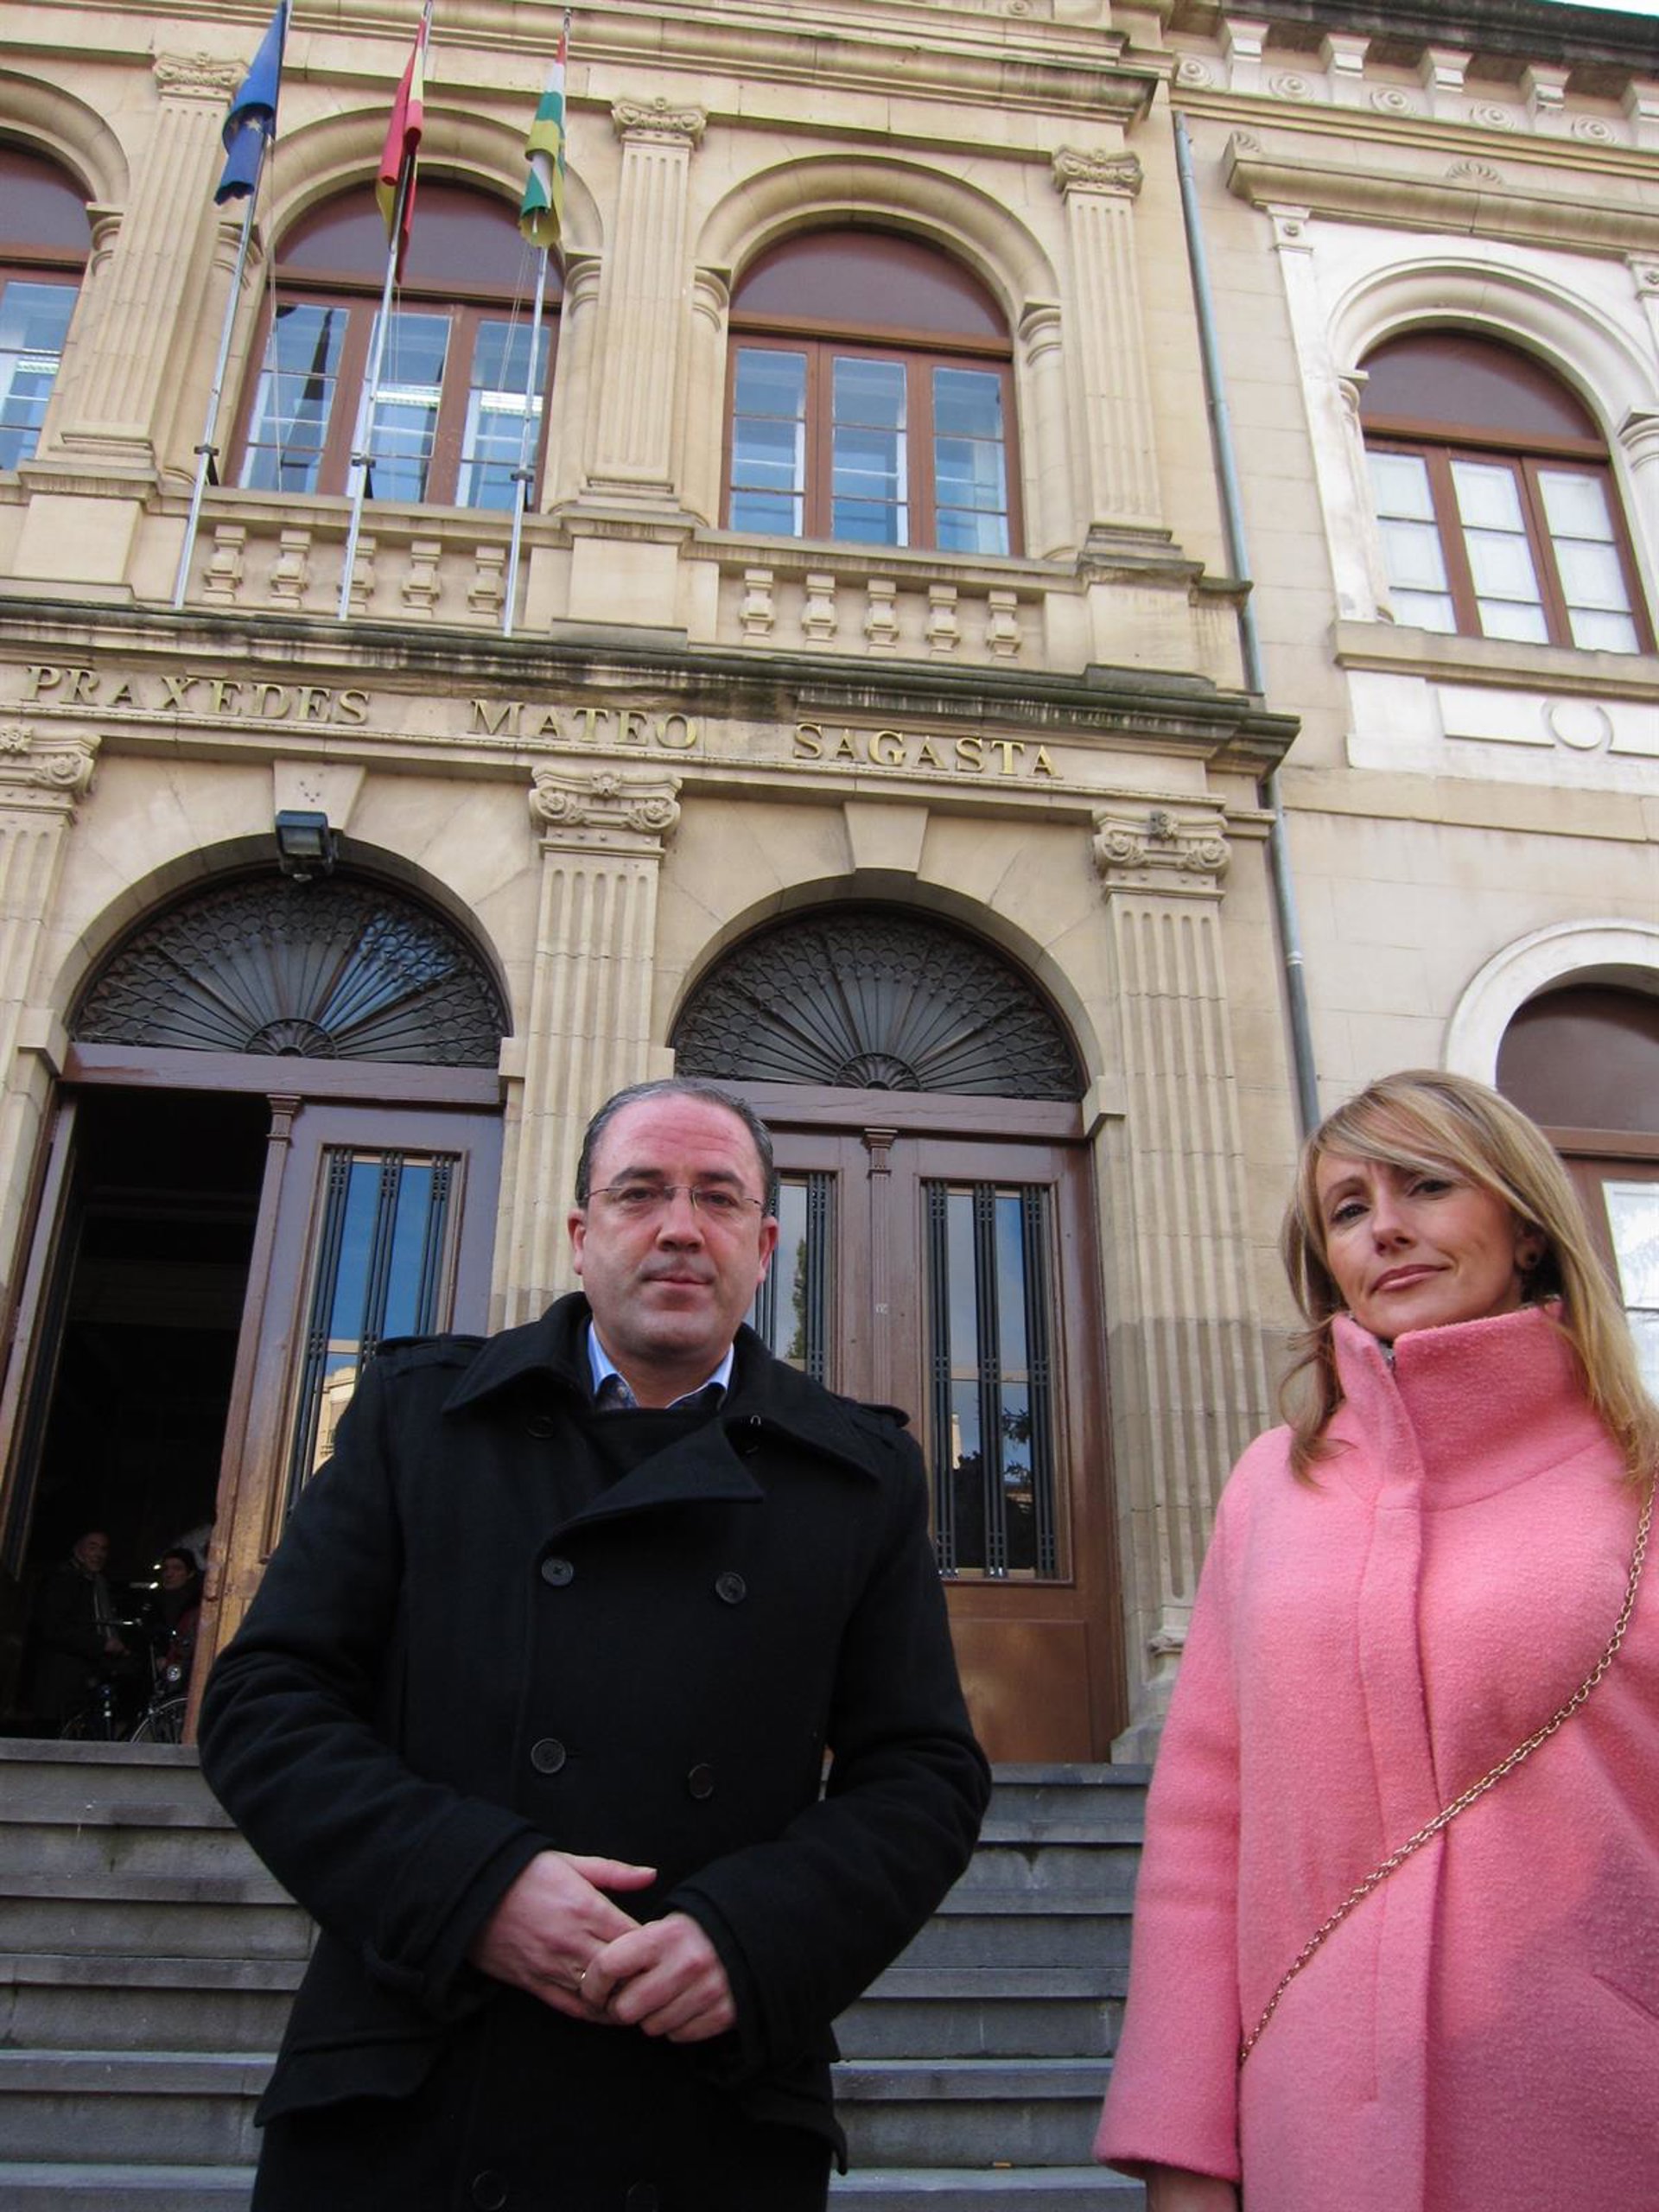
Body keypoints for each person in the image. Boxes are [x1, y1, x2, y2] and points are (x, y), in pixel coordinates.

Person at [200, 1077, 989, 2212]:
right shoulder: (418, 1419)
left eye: (718, 1198)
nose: (680, 1227)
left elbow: (924, 1773)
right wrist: (469, 1889)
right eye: (640, 1193)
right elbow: (266, 1700)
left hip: (705, 2105)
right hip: (415, 2089)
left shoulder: (860, 1475)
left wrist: (753, 1940)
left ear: (765, 1246)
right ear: (581, 1235)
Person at [1096, 1069, 1659, 2212]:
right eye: (1348, 1209)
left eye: (1427, 1186)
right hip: (1317, 2130)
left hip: (1603, 2117)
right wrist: (1182, 2147)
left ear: (1529, 1228)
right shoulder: (1272, 1484)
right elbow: (1204, 1823)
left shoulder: (1637, 1475)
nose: (1385, 1227)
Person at [25, 1529, 130, 1733]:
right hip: (59, 1678)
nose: (98, 1554)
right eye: (92, 1547)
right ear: (78, 1549)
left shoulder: (97, 1584)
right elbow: (54, 1628)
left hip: (83, 1678)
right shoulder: (62, 1579)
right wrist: (102, 1643)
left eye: (103, 1549)